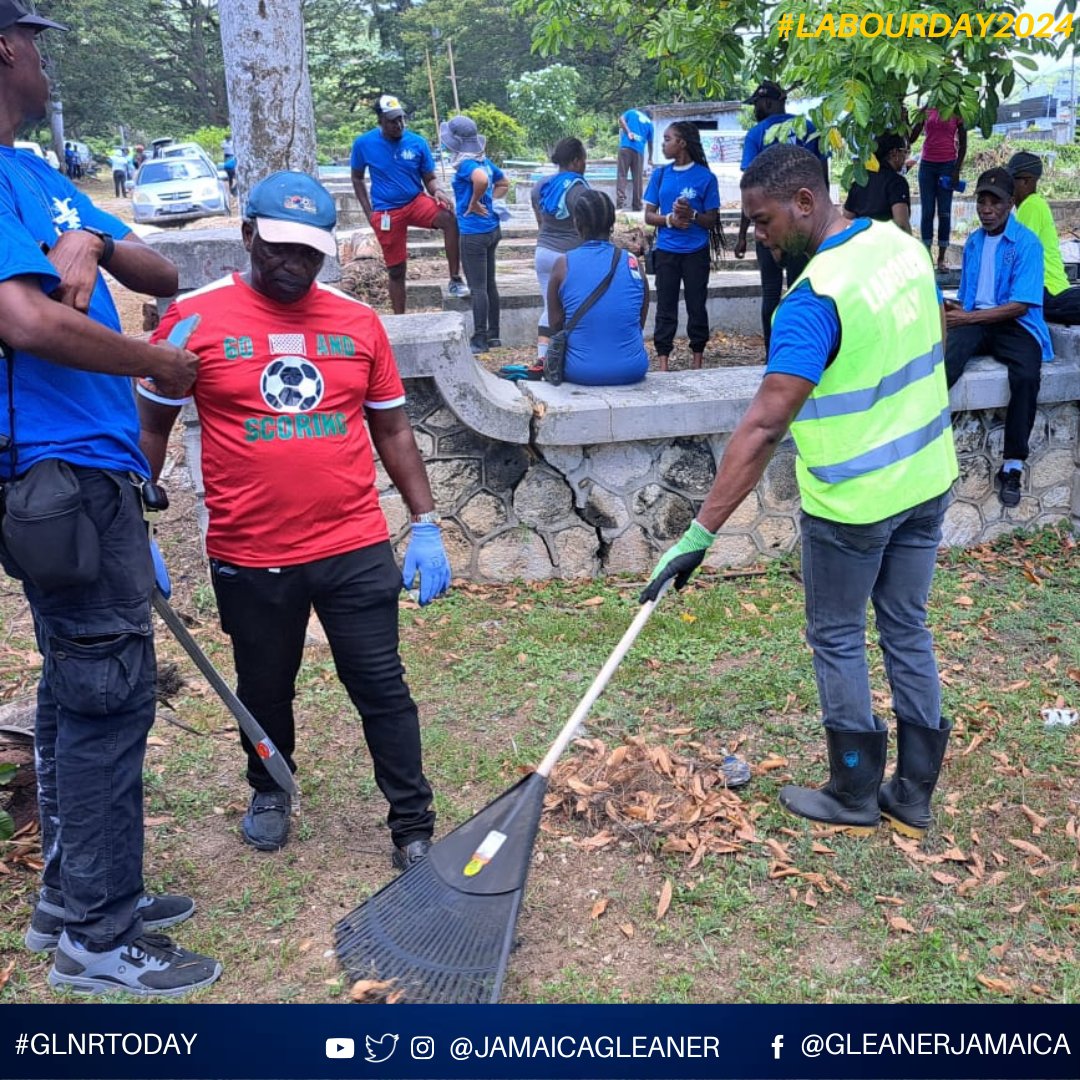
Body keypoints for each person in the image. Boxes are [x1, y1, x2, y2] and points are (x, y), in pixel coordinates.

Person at [643, 144, 958, 841]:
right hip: (929, 479)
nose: (758, 234)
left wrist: (697, 537)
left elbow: (762, 426)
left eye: (762, 220)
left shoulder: (811, 300)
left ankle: (853, 790)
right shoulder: (900, 246)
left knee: (838, 634)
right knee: (907, 625)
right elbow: (934, 334)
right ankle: (912, 795)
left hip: (854, 506)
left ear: (805, 202)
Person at [0, 0, 220, 996]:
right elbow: (28, 323)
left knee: (71, 687)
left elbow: (159, 264)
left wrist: (85, 244)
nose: (50, 62)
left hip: (88, 473)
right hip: (55, 474)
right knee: (107, 693)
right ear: (7, 49)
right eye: (38, 43)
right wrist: (152, 358)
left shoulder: (39, 173)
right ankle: (98, 932)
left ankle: (70, 899)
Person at [138, 171, 450, 868]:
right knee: (263, 686)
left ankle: (411, 820)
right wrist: (136, 520)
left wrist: (425, 521)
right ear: (248, 234)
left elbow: (393, 430)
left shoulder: (357, 322)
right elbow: (151, 428)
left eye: (308, 253)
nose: (293, 264)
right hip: (250, 550)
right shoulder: (193, 319)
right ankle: (270, 790)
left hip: (353, 541)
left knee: (381, 685)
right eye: (279, 248)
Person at [944, 167, 1052, 508]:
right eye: (982, 201)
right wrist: (951, 310)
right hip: (978, 318)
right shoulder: (974, 243)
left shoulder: (1026, 244)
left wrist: (967, 318)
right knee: (944, 365)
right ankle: (921, 443)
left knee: (1025, 376)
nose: (987, 209)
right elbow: (971, 297)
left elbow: (1020, 305)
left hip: (1014, 323)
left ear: (1009, 204)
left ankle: (1012, 466)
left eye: (995, 202)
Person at [350, 93, 469, 314]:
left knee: (448, 218)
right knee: (396, 270)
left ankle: (455, 278)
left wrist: (439, 191)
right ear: (381, 121)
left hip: (415, 201)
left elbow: (429, 178)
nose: (399, 125)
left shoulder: (417, 142)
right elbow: (357, 177)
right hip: (386, 211)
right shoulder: (364, 144)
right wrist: (369, 213)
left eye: (401, 119)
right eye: (393, 121)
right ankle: (400, 318)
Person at [735, 81, 828, 349]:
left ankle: (772, 353)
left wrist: (744, 233)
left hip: (770, 225)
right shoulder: (809, 129)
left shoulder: (756, 134)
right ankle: (804, 347)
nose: (755, 109)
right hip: (804, 223)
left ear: (768, 102)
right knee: (804, 290)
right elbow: (822, 179)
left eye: (757, 104)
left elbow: (749, 189)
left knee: (771, 293)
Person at [547, 190, 649, 385]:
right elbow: (639, 320)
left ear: (577, 223)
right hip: (632, 368)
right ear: (612, 223)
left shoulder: (563, 264)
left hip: (581, 371)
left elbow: (555, 324)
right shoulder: (632, 262)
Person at [642, 122, 720, 371]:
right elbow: (648, 215)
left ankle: (697, 359)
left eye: (667, 139)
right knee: (666, 306)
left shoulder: (706, 177)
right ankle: (663, 361)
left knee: (697, 305)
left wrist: (693, 215)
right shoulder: (660, 175)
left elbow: (712, 220)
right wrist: (670, 220)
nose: (663, 144)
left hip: (696, 252)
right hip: (667, 251)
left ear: (682, 143)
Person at [442, 115, 509, 355]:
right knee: (490, 284)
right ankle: (494, 334)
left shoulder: (468, 165)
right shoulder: (484, 161)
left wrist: (473, 202)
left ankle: (479, 338)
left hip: (473, 232)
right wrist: (488, 201)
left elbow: (480, 180)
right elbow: (503, 182)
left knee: (478, 287)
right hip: (491, 229)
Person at [531, 137, 589, 365]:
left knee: (549, 305)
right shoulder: (580, 189)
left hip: (543, 252)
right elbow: (587, 228)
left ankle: (543, 359)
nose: (585, 165)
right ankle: (572, 358)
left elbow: (541, 222)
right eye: (584, 160)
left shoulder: (541, 186)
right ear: (575, 161)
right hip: (569, 256)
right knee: (575, 306)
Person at [1007, 150, 1080, 326]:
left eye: (1011, 181)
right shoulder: (1033, 206)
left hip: (1047, 290)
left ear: (1026, 181)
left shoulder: (1030, 206)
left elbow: (1018, 254)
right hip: (1051, 289)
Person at [911, 106, 967, 272]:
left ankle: (941, 258)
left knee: (944, 212)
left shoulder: (957, 110)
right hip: (927, 165)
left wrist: (956, 170)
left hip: (947, 166)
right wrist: (911, 118)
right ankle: (927, 256)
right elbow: (912, 137)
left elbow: (963, 144)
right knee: (927, 211)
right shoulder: (926, 109)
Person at [843, 134, 911, 232]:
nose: (906, 157)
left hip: (861, 242)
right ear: (894, 153)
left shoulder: (859, 182)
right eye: (905, 152)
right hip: (887, 242)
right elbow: (902, 224)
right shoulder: (897, 183)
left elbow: (846, 220)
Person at [616, 106, 653, 212]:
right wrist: (650, 158)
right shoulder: (650, 124)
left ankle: (620, 204)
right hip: (638, 151)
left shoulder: (632, 112)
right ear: (650, 117)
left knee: (622, 175)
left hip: (625, 147)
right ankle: (637, 205)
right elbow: (650, 144)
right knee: (637, 178)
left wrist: (628, 132)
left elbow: (621, 119)